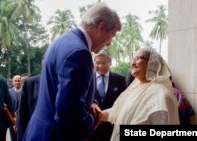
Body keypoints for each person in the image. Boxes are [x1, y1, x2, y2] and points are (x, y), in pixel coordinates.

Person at [23, 3, 121, 141]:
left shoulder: (63, 41)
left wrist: (90, 103)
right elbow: (69, 115)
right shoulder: (79, 53)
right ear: (102, 27)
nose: (110, 43)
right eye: (112, 35)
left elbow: (64, 92)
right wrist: (93, 120)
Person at [100, 48, 180, 141]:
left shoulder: (159, 94)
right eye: (133, 59)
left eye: (138, 58)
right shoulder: (135, 88)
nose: (133, 63)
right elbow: (120, 110)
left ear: (152, 63)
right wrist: (99, 114)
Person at [88, 49, 127, 141]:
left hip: (112, 127)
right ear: (94, 63)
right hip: (92, 127)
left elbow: (124, 102)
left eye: (104, 63)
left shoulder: (120, 80)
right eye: (98, 63)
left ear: (110, 63)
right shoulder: (87, 79)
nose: (101, 66)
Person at [9, 75, 22, 141]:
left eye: (19, 81)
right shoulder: (8, 92)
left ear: (21, 81)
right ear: (12, 82)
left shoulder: (25, 91)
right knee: (13, 138)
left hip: (22, 119)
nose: (17, 82)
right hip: (11, 119)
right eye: (15, 81)